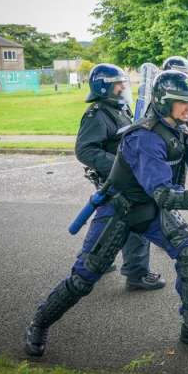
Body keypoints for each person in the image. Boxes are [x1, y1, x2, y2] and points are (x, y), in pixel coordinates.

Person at [25, 70, 188, 357]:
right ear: (163, 101)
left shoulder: (179, 130)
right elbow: (166, 194)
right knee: (84, 278)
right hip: (119, 210)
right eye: (182, 102)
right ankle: (39, 323)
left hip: (149, 209)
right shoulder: (143, 138)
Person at [75, 64, 164, 291]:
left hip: (123, 178)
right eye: (118, 83)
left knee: (110, 224)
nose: (124, 86)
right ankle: (137, 273)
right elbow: (85, 150)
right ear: (104, 87)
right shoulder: (97, 114)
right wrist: (119, 165)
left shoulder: (119, 108)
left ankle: (93, 263)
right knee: (136, 222)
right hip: (117, 179)